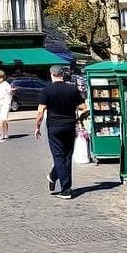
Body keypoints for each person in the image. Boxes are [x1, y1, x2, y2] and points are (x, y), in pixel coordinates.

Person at [35, 65, 87, 199]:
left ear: (51, 74)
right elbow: (83, 107)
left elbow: (40, 112)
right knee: (67, 156)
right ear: (62, 74)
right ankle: (53, 176)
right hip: (70, 125)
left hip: (54, 127)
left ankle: (65, 190)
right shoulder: (72, 89)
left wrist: (37, 127)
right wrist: (79, 118)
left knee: (58, 156)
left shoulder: (47, 90)